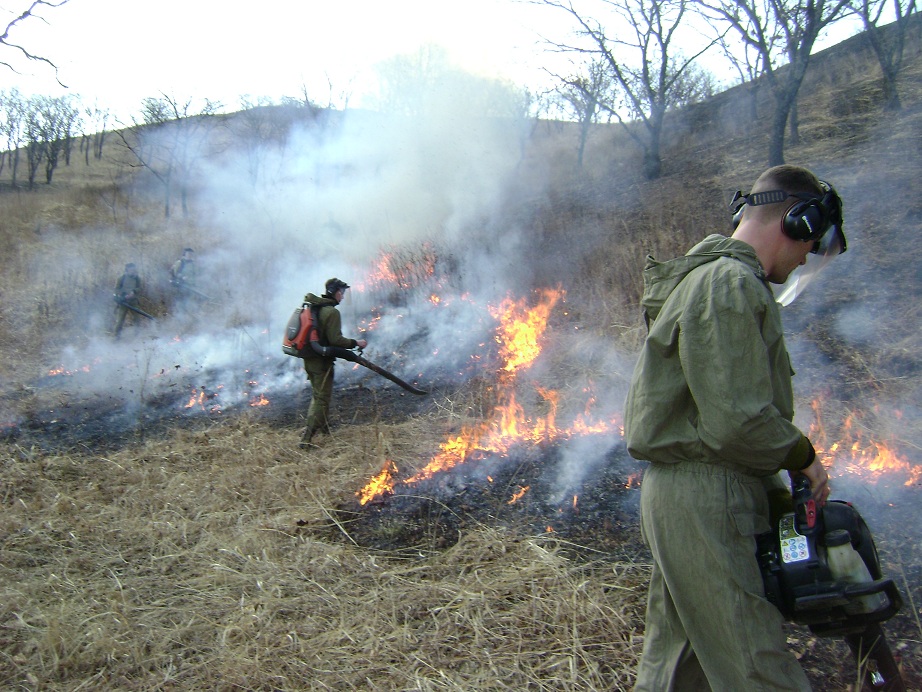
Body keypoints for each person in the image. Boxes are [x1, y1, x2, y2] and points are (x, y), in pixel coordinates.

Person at [624, 165, 847, 691]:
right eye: (809, 244)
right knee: (756, 667)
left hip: (690, 496)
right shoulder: (728, 284)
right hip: (708, 496)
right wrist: (802, 454)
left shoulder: (714, 280)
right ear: (795, 221)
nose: (804, 259)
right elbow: (737, 420)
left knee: (681, 669)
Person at [300, 278, 368, 449]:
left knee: (319, 396)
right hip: (321, 362)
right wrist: (355, 343)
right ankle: (306, 439)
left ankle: (325, 431)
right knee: (321, 399)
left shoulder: (316, 307)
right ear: (335, 292)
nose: (343, 297)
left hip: (310, 360)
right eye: (341, 292)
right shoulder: (331, 312)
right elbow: (336, 340)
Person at [113, 262, 142, 338]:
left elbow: (140, 288)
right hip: (123, 302)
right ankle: (116, 337)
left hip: (133, 301)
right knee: (120, 321)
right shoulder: (121, 278)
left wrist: (134, 291)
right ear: (127, 270)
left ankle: (137, 337)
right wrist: (123, 296)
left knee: (137, 320)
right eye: (131, 270)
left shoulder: (137, 278)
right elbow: (116, 289)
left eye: (134, 270)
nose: (133, 271)